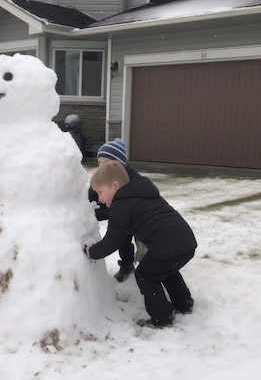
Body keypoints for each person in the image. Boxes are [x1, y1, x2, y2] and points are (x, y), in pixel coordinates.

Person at [84, 161, 197, 328]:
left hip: (166, 245)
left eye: (100, 192)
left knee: (145, 275)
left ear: (114, 186)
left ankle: (162, 317)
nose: (99, 198)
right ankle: (184, 303)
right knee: (166, 270)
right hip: (186, 242)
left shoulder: (121, 205)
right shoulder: (141, 193)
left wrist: (91, 252)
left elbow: (113, 241)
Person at [88, 138, 141, 282]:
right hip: (119, 219)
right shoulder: (99, 180)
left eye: (106, 163)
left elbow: (130, 205)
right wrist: (93, 212)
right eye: (99, 163)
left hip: (136, 220)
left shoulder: (132, 180)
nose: (101, 167)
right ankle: (127, 266)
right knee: (123, 242)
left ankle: (148, 270)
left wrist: (106, 213)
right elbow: (92, 201)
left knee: (144, 245)